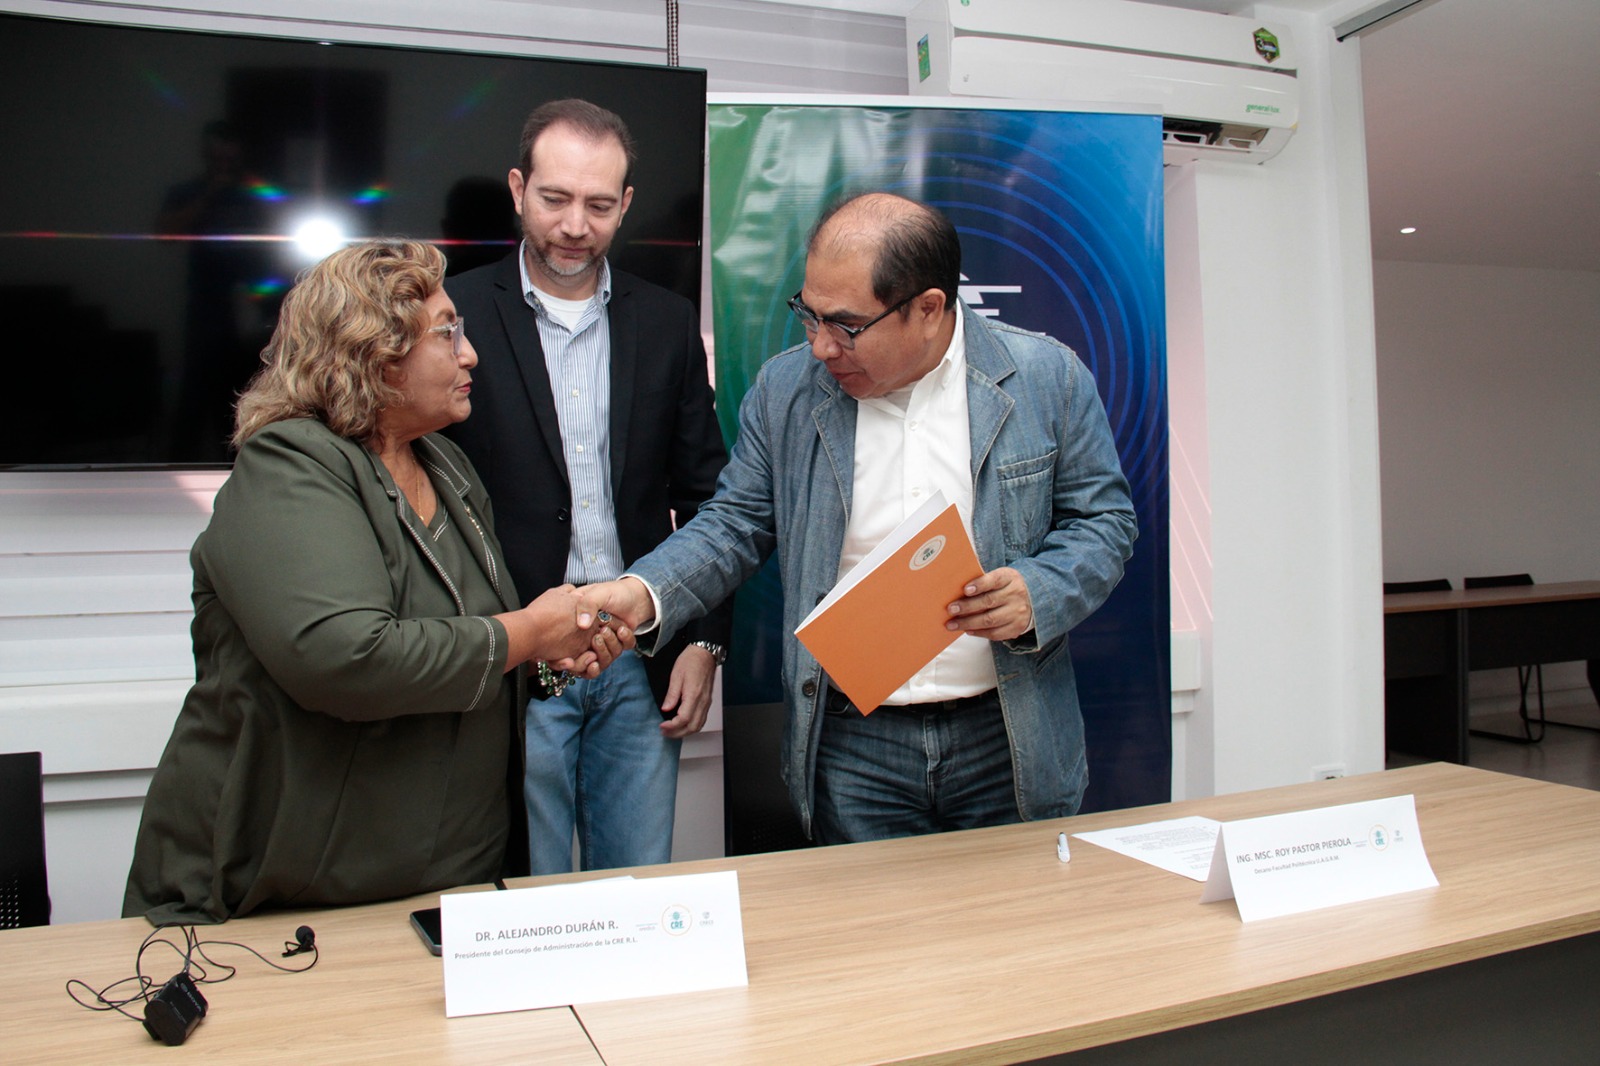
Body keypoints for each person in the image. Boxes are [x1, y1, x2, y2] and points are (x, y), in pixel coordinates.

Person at [575, 192, 1137, 845]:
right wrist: (641, 592)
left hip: (1007, 731)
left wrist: (1039, 592)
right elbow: (733, 524)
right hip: (853, 744)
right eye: (807, 317)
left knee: (1013, 938)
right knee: (870, 941)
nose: (818, 348)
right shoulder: (787, 393)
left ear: (928, 309)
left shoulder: (1046, 378)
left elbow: (1105, 523)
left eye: (843, 326)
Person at [123, 240, 629, 924]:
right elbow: (345, 658)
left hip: (445, 888)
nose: (469, 353)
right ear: (372, 350)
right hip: (284, 897)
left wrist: (548, 656)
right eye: (448, 332)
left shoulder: (447, 468)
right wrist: (526, 632)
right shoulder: (289, 464)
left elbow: (469, 639)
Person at [443, 99, 731, 874]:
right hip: (512, 669)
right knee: (522, 900)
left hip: (638, 664)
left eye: (599, 205)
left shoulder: (668, 323)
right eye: (555, 199)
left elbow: (712, 501)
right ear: (517, 188)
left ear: (626, 205)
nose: (576, 224)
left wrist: (705, 641)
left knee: (635, 897)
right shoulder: (455, 316)